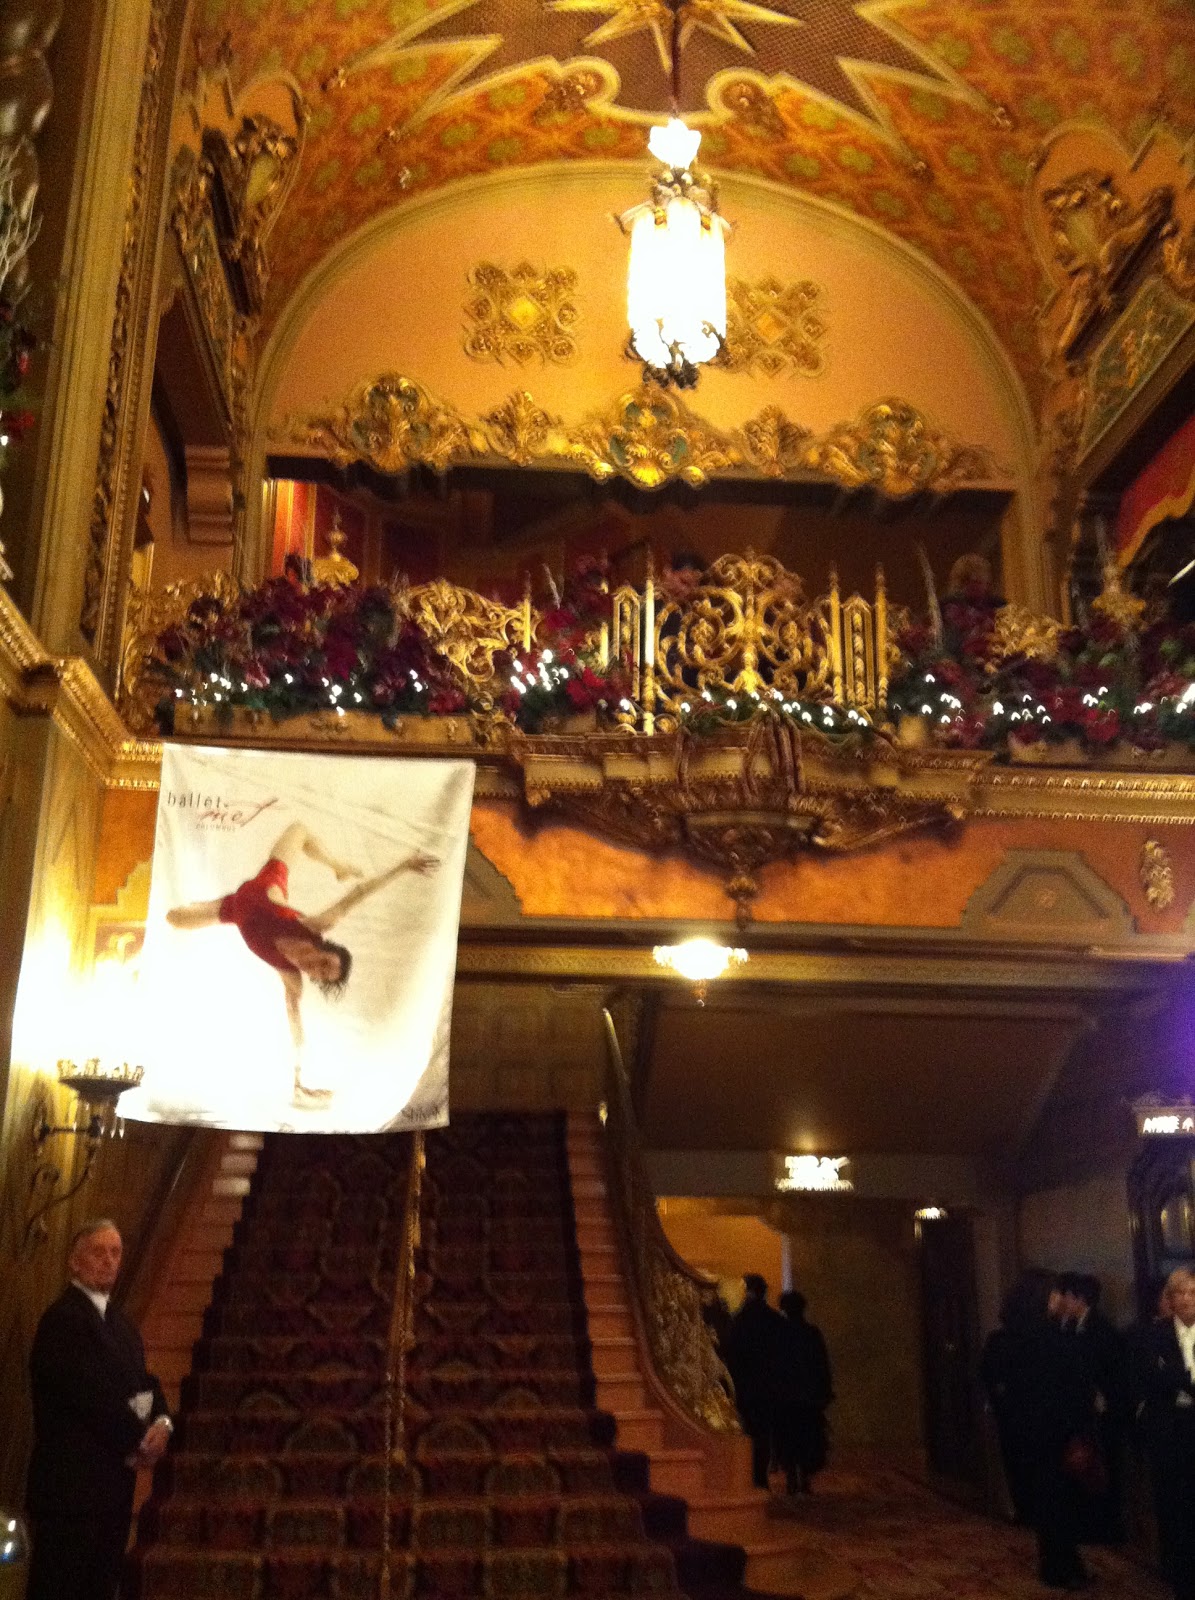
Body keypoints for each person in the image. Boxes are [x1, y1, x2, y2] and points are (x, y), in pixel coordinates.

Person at [166, 821, 438, 1105]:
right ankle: (338, 866)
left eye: (321, 976)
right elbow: (358, 895)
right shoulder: (313, 926)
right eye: (324, 963)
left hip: (233, 908)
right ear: (324, 947)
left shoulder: (290, 976)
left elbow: (295, 1028)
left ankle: (203, 904)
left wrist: (298, 1079)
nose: (315, 970)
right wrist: (403, 866)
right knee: (300, 831)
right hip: (267, 884)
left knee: (174, 918)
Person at [26, 1219, 171, 1600]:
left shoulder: (122, 1324)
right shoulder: (62, 1320)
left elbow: (145, 1383)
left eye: (115, 1252)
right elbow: (91, 1395)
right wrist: (141, 1440)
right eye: (98, 1252)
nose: (108, 1261)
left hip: (112, 1490)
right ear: (75, 1262)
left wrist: (163, 1421)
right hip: (71, 1494)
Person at [1023, 1276, 1103, 1590]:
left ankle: (1062, 1564)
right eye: (1055, 1294)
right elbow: (1070, 1384)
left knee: (1054, 1502)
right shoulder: (1050, 1336)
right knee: (1060, 1503)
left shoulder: (1034, 1334)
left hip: (1042, 1431)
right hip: (1057, 1431)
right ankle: (1059, 1567)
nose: (1059, 1299)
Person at [1133, 1264, 1195, 1600]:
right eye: (1180, 1293)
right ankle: (1181, 1580)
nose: (1187, 1300)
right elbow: (1150, 1382)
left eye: (1193, 1293)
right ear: (1169, 1299)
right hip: (1171, 1435)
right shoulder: (1153, 1336)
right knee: (1175, 1510)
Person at [1058, 1272, 1129, 1544]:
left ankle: (1107, 1529)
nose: (1063, 1301)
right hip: (1084, 1411)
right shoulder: (1074, 1326)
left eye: (1067, 1296)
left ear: (1079, 1298)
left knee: (1103, 1469)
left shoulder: (1101, 1330)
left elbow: (1105, 1372)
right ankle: (1092, 1526)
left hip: (1103, 1413)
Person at [980, 1275, 1047, 1525]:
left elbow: (989, 1375)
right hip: (1028, 1415)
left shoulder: (1001, 1340)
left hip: (1013, 1416)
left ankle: (1026, 1512)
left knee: (1019, 1468)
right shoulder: (1034, 1339)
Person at [724, 1274, 787, 1489]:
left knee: (747, 1429)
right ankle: (760, 1475)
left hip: (745, 1384)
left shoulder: (739, 1319)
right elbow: (782, 1354)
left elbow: (730, 1353)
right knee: (764, 1431)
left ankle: (749, 1474)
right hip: (769, 1384)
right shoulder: (774, 1320)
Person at [775, 1290, 833, 1494]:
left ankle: (792, 1478)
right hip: (808, 1396)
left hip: (787, 1396)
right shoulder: (811, 1333)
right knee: (808, 1437)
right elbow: (821, 1364)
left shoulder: (779, 1333)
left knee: (789, 1438)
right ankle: (805, 1480)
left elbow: (774, 1365)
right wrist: (824, 1391)